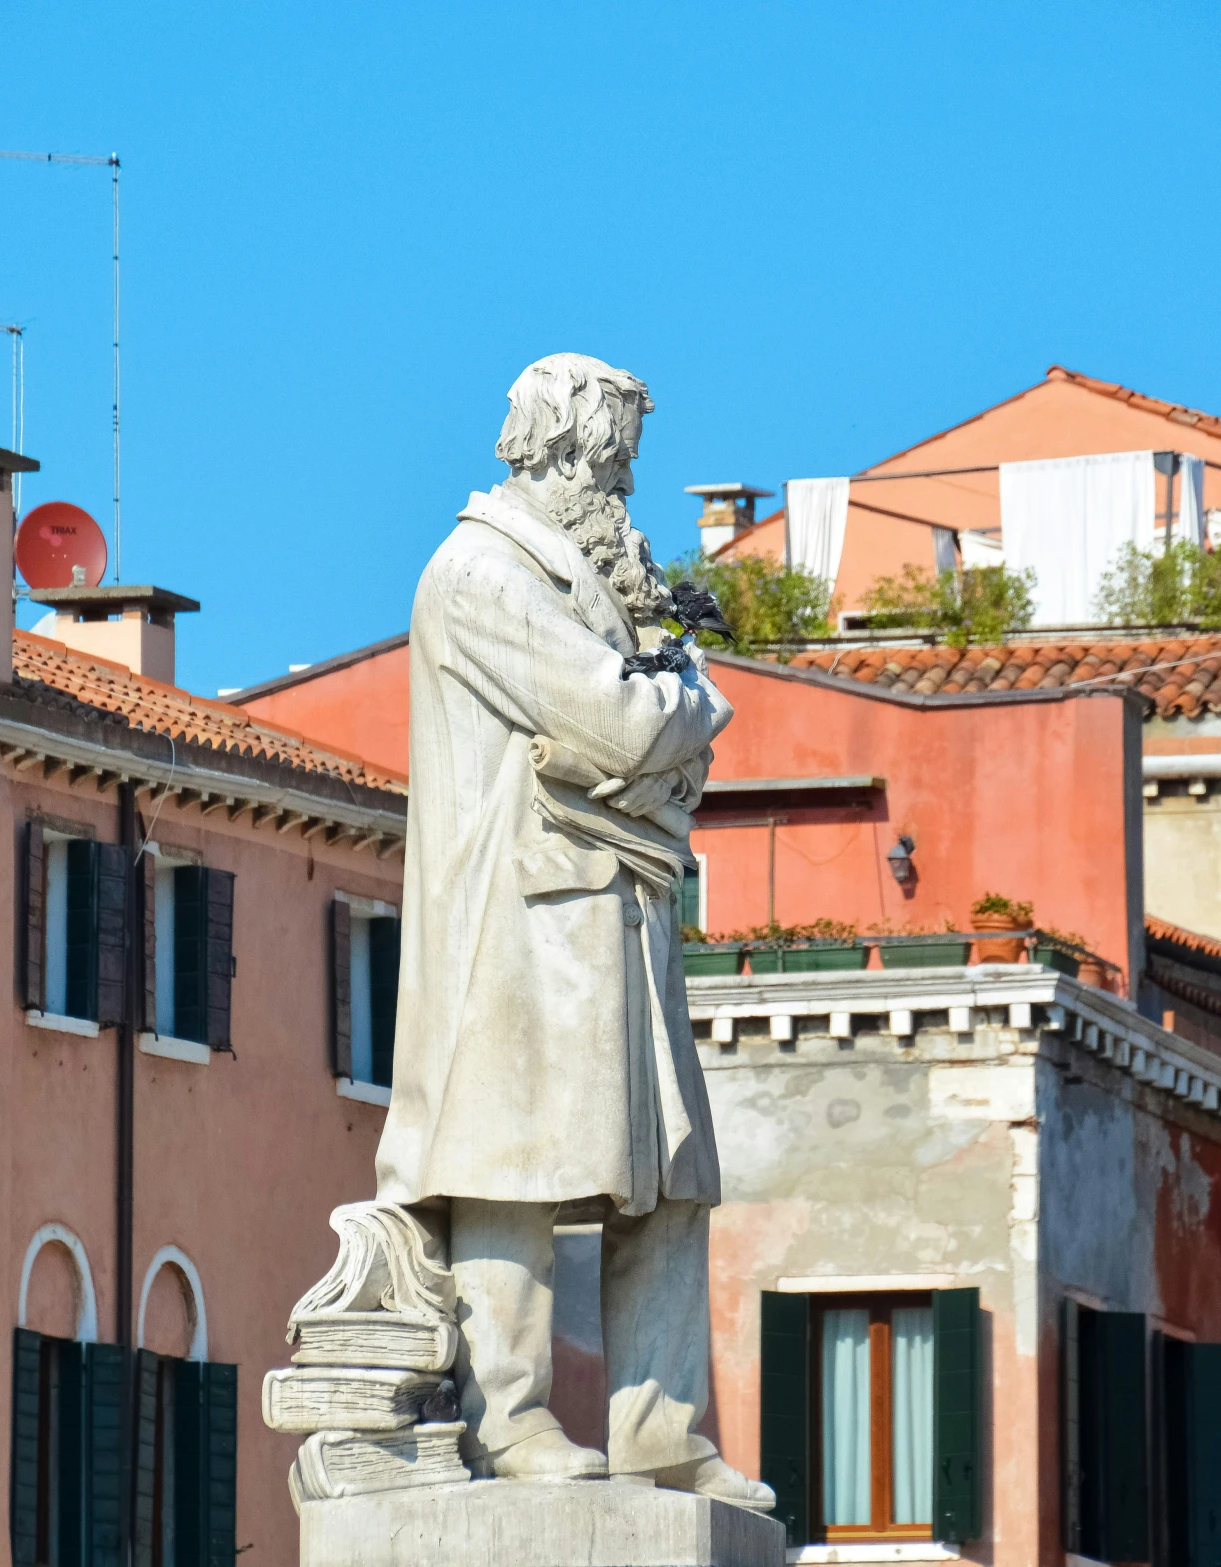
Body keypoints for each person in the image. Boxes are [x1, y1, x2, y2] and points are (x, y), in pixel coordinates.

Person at [374, 353, 771, 1509]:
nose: (625, 486)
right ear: (557, 451)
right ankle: (511, 1420)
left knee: (671, 1181)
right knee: (509, 1162)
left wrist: (660, 720)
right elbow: (618, 716)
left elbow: (641, 736)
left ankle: (663, 1432)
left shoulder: (575, 573)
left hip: (616, 911)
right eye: (613, 462)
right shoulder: (480, 576)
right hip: (519, 916)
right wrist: (678, 707)